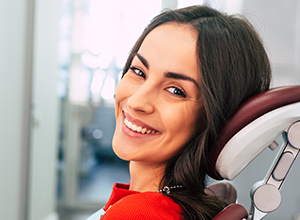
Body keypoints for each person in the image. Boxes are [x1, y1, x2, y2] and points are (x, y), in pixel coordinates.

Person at [87, 5, 271, 220]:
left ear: (217, 117)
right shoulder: (164, 205)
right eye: (138, 71)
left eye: (176, 91)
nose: (137, 101)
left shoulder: (138, 213)